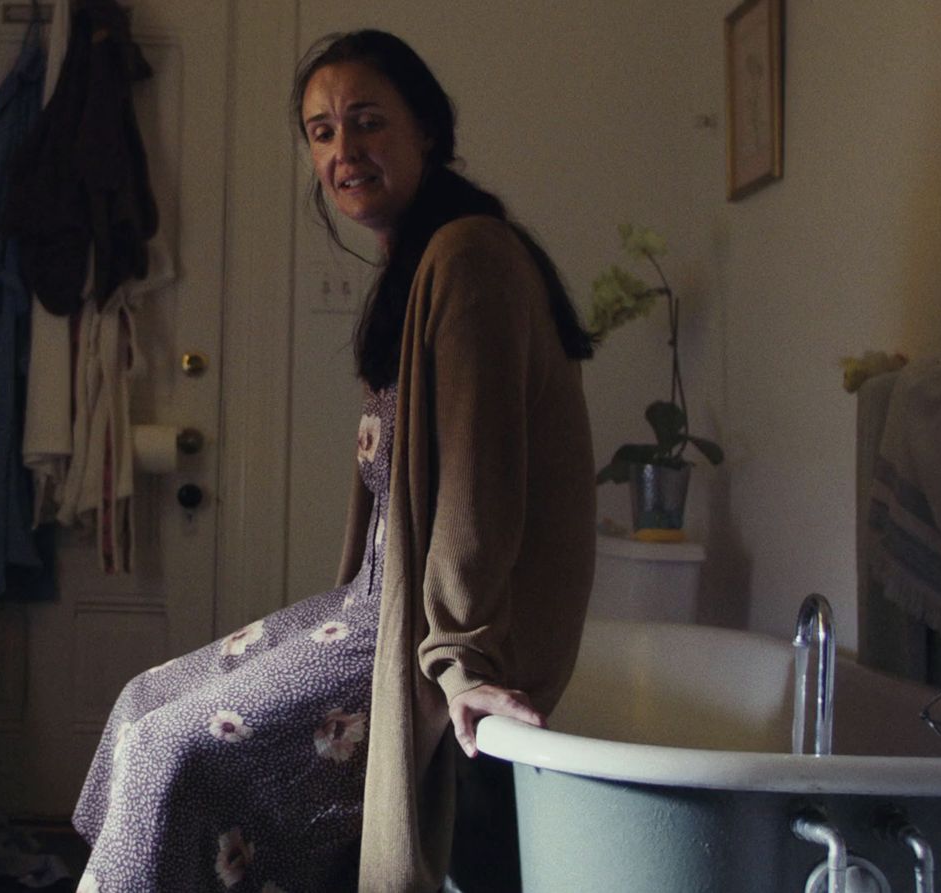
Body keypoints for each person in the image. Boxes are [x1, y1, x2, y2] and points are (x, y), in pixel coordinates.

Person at [72, 30, 596, 892]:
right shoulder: (421, 261)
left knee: (174, 751)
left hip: (419, 635)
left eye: (366, 123)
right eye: (320, 132)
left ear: (426, 129)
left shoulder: (470, 258)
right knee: (140, 701)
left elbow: (479, 489)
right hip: (367, 608)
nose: (342, 151)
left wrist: (460, 665)